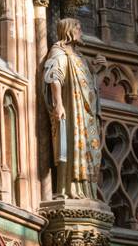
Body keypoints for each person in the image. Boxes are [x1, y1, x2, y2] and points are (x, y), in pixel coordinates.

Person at [42, 17, 103, 200]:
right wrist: (58, 103)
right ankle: (70, 189)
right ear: (69, 30)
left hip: (85, 115)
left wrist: (96, 70)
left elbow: (88, 85)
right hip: (72, 111)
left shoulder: (79, 56)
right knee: (71, 145)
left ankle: (86, 191)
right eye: (79, 28)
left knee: (89, 149)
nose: (81, 32)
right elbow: (55, 77)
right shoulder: (59, 52)